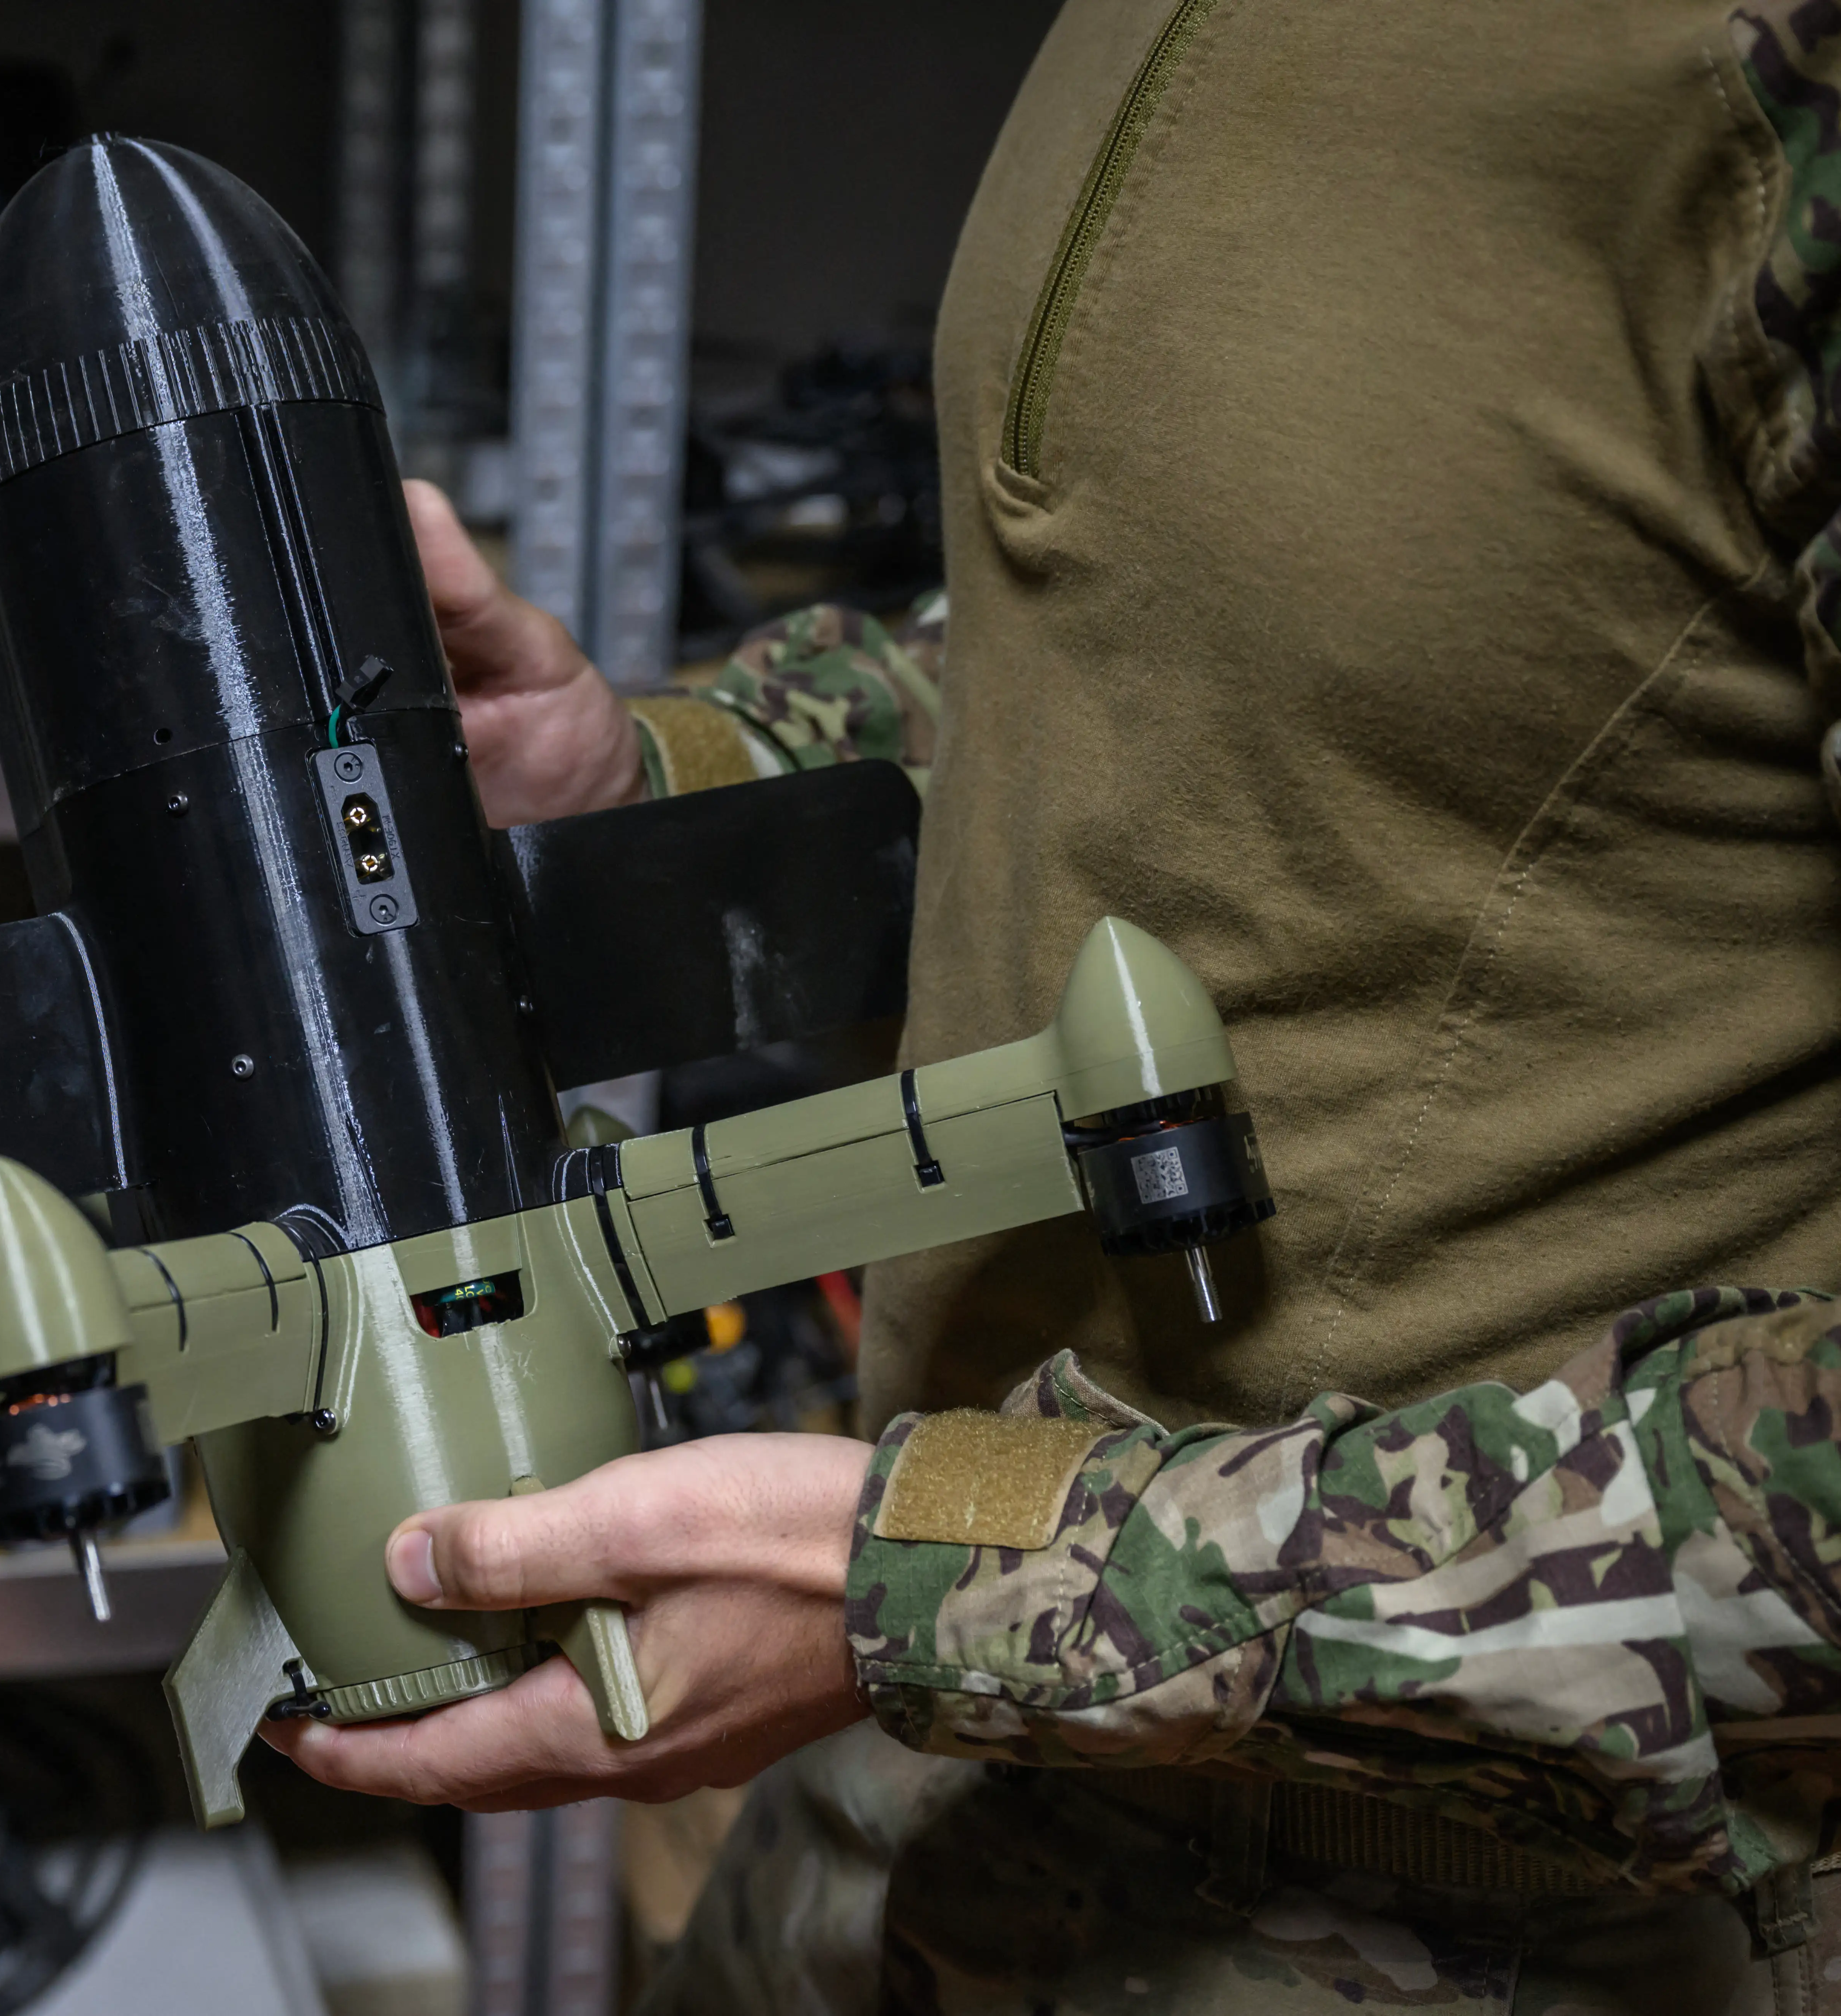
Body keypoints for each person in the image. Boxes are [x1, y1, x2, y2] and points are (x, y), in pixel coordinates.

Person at [263, 5, 1841, 2008]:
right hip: (919, 1796)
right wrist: (670, 786)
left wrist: (955, 1580)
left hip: (1487, 1919)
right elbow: (1208, 673)